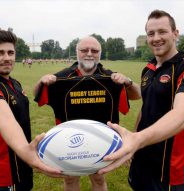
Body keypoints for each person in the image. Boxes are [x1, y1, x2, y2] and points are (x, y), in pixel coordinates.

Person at [98, 10, 184, 191]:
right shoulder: (148, 70)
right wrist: (133, 139)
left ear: (175, 33)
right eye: (151, 34)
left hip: (172, 170)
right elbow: (145, 107)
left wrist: (137, 140)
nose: (156, 38)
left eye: (162, 31)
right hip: (142, 158)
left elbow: (183, 115)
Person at [34, 36, 141, 191]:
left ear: (100, 53)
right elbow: (38, 97)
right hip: (68, 139)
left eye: (94, 50)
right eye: (84, 50)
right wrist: (41, 82)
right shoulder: (61, 78)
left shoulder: (110, 78)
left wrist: (127, 81)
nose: (89, 53)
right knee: (70, 180)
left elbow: (137, 95)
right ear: (77, 52)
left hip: (101, 139)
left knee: (98, 179)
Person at [0, 30, 61, 191]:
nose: (6, 58)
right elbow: (6, 120)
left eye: (10, 52)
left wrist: (26, 155)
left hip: (22, 163)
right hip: (2, 173)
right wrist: (28, 154)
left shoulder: (14, 83)